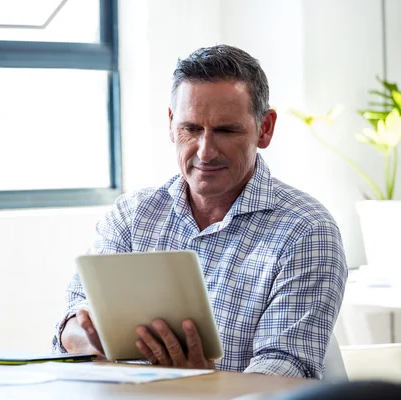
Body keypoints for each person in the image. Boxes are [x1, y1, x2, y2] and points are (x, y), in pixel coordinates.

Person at [51, 44, 348, 379]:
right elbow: (71, 323)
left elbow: (288, 371)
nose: (205, 152)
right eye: (191, 129)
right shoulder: (132, 215)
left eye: (226, 130)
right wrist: (87, 339)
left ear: (264, 129)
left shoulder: (306, 230)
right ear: (170, 123)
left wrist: (205, 383)